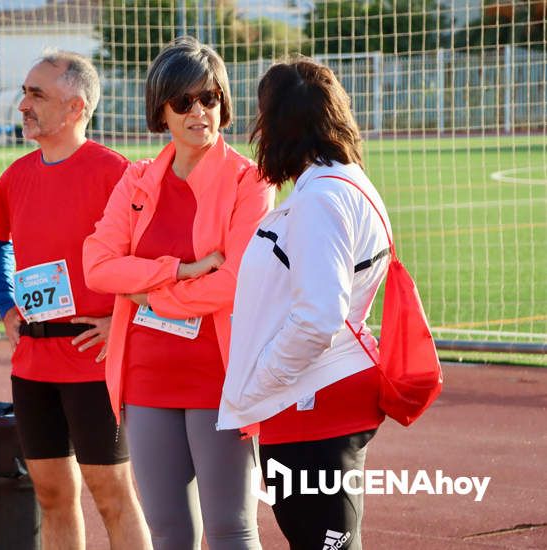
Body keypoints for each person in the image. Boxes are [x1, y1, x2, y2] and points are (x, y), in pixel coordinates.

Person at [83, 36, 274, 549]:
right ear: (161, 110)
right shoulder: (138, 179)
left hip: (218, 376)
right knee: (167, 532)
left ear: (224, 104)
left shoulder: (249, 182)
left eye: (209, 98)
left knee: (231, 529)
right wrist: (182, 269)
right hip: (146, 376)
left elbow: (235, 283)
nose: (199, 112)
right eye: (183, 101)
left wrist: (153, 294)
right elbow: (97, 266)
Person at [218, 57, 393, 550]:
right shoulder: (340, 182)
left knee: (322, 540)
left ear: (278, 125)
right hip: (317, 393)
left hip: (312, 397)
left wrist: (264, 380)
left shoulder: (322, 198)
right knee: (323, 537)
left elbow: (318, 316)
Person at [0, 51, 151, 550]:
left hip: (92, 361)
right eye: (25, 93)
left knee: (111, 494)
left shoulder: (115, 174)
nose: (23, 105)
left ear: (75, 108)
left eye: (37, 95)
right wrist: (6, 304)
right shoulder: (15, 177)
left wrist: (123, 318)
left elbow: (151, 255)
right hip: (32, 362)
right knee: (52, 495)